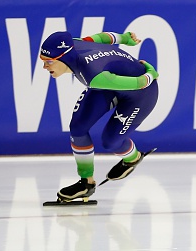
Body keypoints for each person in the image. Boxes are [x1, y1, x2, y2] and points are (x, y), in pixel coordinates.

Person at [39, 31, 159, 202]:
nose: (45, 67)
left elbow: (140, 84)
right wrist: (124, 38)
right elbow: (101, 38)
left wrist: (150, 73)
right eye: (43, 61)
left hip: (142, 93)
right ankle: (86, 183)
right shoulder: (75, 43)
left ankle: (133, 158)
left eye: (49, 62)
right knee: (78, 128)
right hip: (109, 83)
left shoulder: (92, 75)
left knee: (110, 142)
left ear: (64, 58)